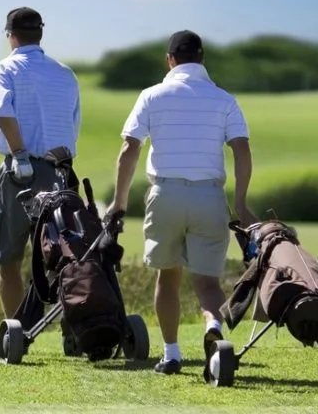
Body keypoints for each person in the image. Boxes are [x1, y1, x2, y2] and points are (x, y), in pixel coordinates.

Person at [106, 30, 259, 378]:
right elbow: (242, 149)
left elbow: (130, 149)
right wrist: (241, 203)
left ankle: (172, 355)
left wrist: (119, 202)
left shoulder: (151, 96)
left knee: (168, 276)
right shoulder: (224, 99)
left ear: (170, 60)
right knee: (207, 283)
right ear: (202, 59)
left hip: (166, 195)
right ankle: (213, 329)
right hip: (209, 197)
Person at [0, 7, 82, 317]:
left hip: (20, 173)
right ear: (40, 33)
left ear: (10, 35)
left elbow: (2, 111)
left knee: (8, 258)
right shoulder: (65, 74)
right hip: (61, 174)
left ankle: (17, 331)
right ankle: (73, 327)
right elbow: (72, 123)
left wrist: (20, 154)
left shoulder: (3, 70)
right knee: (65, 255)